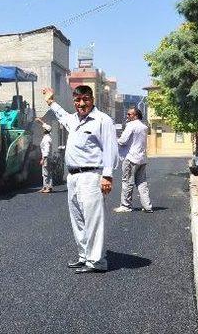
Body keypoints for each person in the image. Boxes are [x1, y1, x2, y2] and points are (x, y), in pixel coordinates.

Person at [43, 85, 118, 274]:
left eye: (85, 99)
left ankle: (97, 262)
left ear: (92, 99)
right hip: (73, 177)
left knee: (93, 219)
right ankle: (84, 256)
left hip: (92, 176)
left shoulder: (103, 120)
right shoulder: (74, 120)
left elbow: (110, 149)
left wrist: (107, 176)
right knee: (78, 219)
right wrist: (51, 101)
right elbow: (61, 115)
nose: (81, 104)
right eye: (77, 100)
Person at [114, 108, 153, 213]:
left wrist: (115, 139)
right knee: (142, 182)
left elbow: (122, 141)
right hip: (142, 158)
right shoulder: (144, 127)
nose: (127, 116)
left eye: (129, 114)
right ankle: (147, 206)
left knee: (127, 182)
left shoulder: (131, 125)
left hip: (131, 158)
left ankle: (126, 206)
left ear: (135, 116)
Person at [38, 121, 53, 193]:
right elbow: (45, 125)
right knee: (44, 172)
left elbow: (47, 150)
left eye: (44, 129)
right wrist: (40, 121)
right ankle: (45, 186)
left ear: (45, 131)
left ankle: (49, 187)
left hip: (46, 157)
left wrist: (43, 159)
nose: (42, 129)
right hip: (45, 157)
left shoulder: (47, 139)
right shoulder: (47, 137)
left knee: (47, 172)